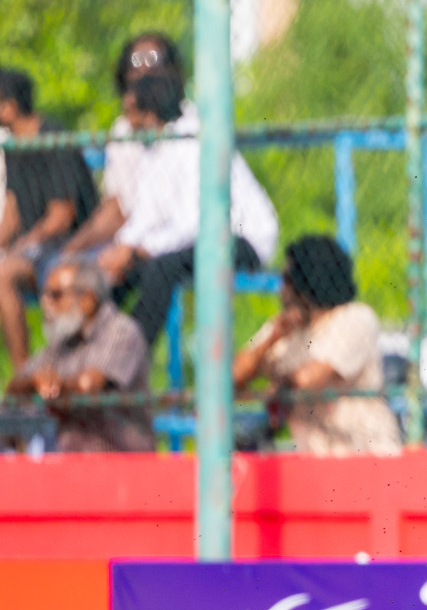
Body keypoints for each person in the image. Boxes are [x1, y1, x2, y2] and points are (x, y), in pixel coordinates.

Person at [103, 72, 278, 344]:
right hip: (198, 238)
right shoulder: (156, 149)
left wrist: (140, 249)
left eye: (130, 114)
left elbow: (194, 223)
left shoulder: (192, 141)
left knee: (161, 268)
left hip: (242, 238)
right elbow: (146, 214)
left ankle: (130, 353)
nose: (127, 123)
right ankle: (96, 347)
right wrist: (122, 248)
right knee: (117, 273)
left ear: (149, 114)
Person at [233, 235, 402, 457]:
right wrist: (271, 339)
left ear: (306, 283)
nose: (281, 289)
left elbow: (309, 380)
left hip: (367, 453)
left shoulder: (355, 318)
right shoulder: (283, 329)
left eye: (288, 279)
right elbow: (231, 377)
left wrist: (276, 386)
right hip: (316, 459)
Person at [62, 32, 197, 260]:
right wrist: (71, 251)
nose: (143, 71)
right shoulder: (124, 130)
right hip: (131, 236)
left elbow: (185, 220)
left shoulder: (188, 125)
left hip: (171, 242)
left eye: (153, 61)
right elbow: (118, 206)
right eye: (135, 63)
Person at [0, 68, 100, 370]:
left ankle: (36, 376)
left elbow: (62, 216)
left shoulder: (52, 137)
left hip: (71, 246)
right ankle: (24, 376)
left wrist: (22, 246)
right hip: (37, 248)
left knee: (6, 274)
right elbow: (12, 211)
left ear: (9, 106)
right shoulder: (14, 144)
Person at [6, 256, 153, 452]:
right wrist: (34, 381)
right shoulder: (62, 341)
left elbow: (90, 386)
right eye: (44, 295)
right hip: (71, 462)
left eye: (56, 295)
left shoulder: (121, 331)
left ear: (87, 300)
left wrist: (56, 385)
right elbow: (17, 384)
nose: (45, 303)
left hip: (122, 461)